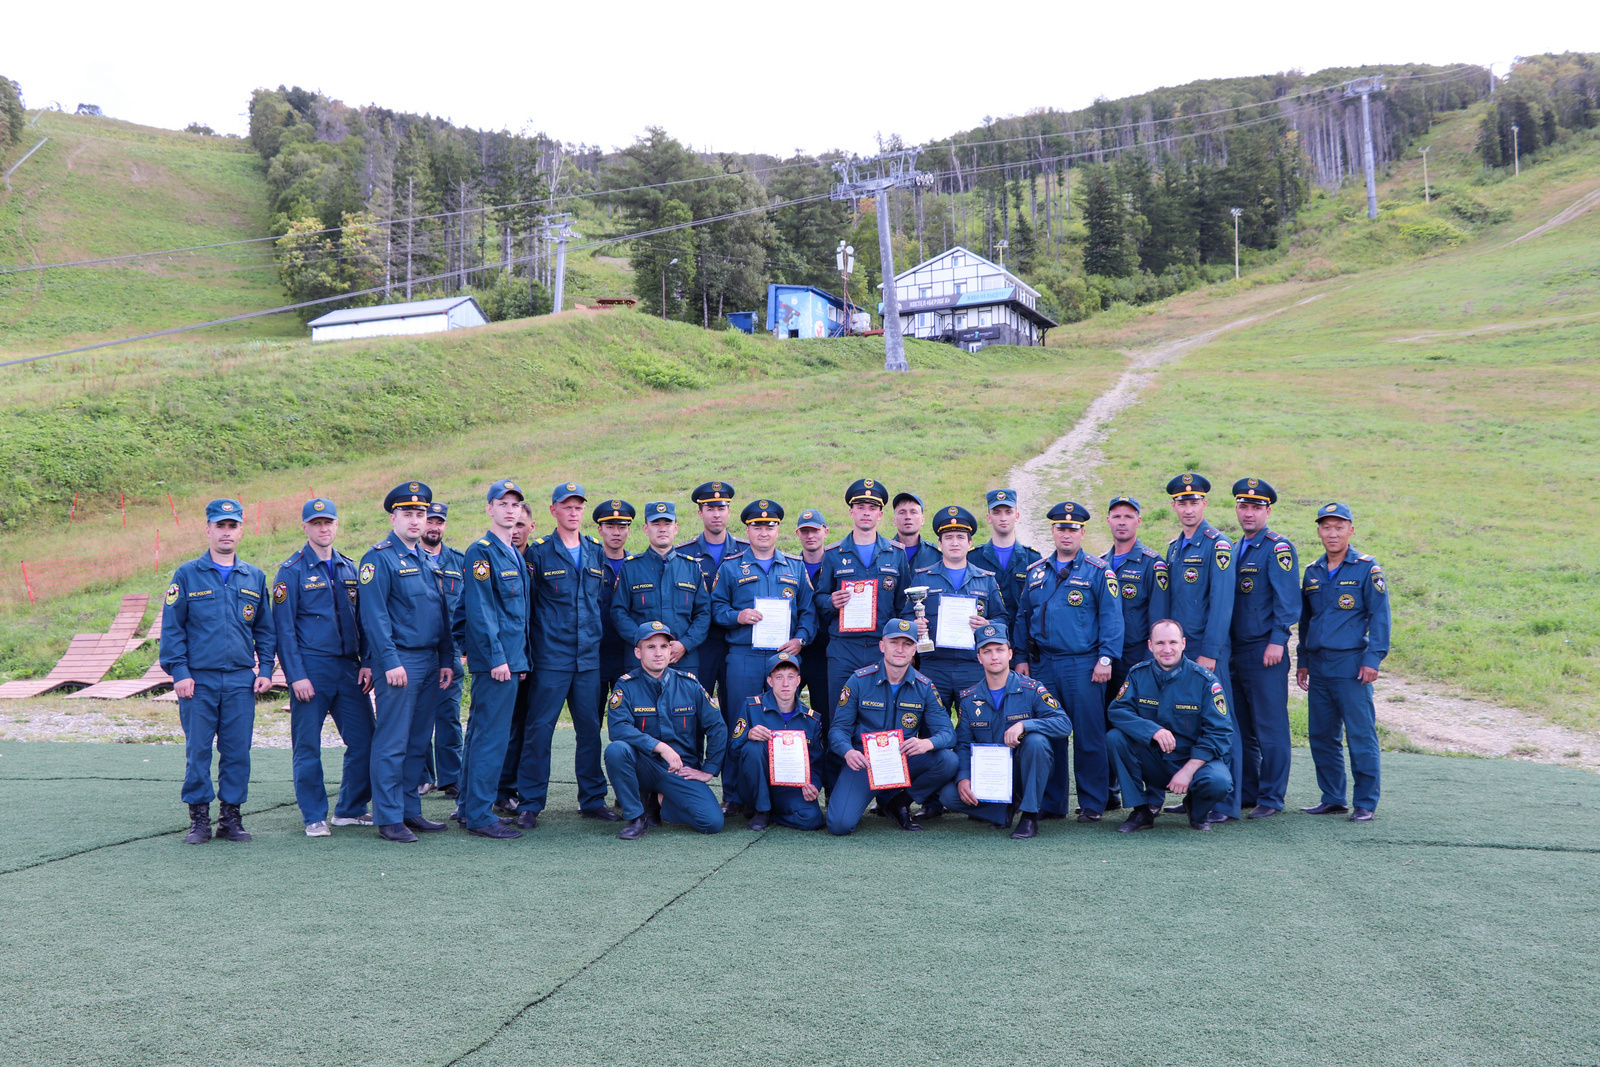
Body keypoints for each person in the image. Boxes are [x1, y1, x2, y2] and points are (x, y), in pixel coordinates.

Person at [161, 498, 277, 844]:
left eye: (233, 526)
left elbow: (265, 630)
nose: (226, 532)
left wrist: (266, 668)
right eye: (220, 525)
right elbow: (172, 628)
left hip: (241, 679)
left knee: (237, 750)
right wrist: (179, 671)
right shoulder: (187, 574)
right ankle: (198, 819)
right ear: (208, 529)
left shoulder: (253, 576)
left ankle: (231, 817)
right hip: (199, 680)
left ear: (241, 530)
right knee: (198, 749)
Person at [358, 481, 457, 843]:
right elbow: (374, 616)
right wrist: (389, 661)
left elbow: (440, 613)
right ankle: (387, 816)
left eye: (421, 514)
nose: (416, 521)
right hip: (400, 662)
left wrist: (446, 656)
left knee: (418, 740)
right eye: (408, 514)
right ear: (393, 516)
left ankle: (410, 809)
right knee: (393, 739)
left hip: (430, 660)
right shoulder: (379, 558)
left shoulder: (425, 559)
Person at [1012, 501, 1123, 822]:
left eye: (1073, 529)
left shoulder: (1098, 570)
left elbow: (1111, 618)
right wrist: (1020, 658)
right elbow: (1022, 618)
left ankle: (1093, 803)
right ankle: (1052, 802)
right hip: (1044, 665)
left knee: (1089, 736)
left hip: (1084, 665)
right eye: (1061, 528)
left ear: (1082, 532)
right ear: (1053, 530)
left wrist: (1106, 658)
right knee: (1050, 735)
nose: (1066, 533)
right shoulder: (1036, 572)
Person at [514, 482, 616, 827]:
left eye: (578, 507)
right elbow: (525, 607)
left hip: (587, 659)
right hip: (550, 658)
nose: (573, 513)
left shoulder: (594, 550)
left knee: (589, 730)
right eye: (566, 506)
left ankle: (591, 800)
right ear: (553, 510)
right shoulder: (539, 552)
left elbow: (597, 603)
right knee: (539, 730)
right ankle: (529, 803)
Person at [271, 498, 375, 838]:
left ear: (336, 524)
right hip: (311, 669)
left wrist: (368, 662)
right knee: (307, 745)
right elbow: (283, 630)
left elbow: (364, 621)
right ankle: (314, 816)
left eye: (328, 521)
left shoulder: (348, 567)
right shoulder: (291, 571)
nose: (324, 528)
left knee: (366, 739)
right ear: (305, 527)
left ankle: (349, 809)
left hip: (348, 668)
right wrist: (295, 676)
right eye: (316, 523)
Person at [710, 499, 817, 814]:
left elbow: (809, 612)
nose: (763, 531)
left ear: (778, 529)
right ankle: (733, 794)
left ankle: (786, 788)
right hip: (745, 656)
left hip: (784, 658)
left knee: (785, 722)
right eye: (757, 526)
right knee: (739, 723)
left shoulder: (795, 567)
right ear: (747, 529)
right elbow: (715, 608)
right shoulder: (731, 567)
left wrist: (801, 639)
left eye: (769, 526)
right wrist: (737, 616)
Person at [1297, 502, 1391, 823]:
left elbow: (1381, 616)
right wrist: (1303, 661)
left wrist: (1373, 658)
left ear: (1351, 529)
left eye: (1339, 527)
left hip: (1352, 666)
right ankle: (1333, 797)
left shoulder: (1367, 568)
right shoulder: (1312, 571)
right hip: (1319, 667)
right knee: (1322, 735)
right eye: (1326, 527)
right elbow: (1306, 621)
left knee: (1360, 735)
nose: (1332, 533)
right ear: (1319, 531)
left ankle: (1365, 802)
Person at [936, 623, 1072, 840]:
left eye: (999, 650)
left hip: (1022, 773)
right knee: (949, 796)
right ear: (979, 657)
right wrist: (963, 778)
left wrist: (1026, 725)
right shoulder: (969, 699)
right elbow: (962, 743)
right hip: (990, 775)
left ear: (1010, 653)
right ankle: (1003, 811)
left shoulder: (1032, 689)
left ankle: (1029, 816)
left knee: (1036, 741)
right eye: (987, 651)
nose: (994, 656)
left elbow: (1064, 724)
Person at [825, 619, 958, 835]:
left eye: (907, 644)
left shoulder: (925, 687)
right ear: (882, 645)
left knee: (948, 760)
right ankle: (877, 796)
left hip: (902, 759)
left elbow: (948, 733)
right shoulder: (858, 681)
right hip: (864, 762)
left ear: (915, 649)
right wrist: (848, 752)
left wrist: (927, 743)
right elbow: (838, 729)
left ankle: (899, 801)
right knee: (839, 825)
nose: (900, 649)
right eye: (894, 642)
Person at [456, 479, 532, 840]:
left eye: (515, 504)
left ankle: (467, 806)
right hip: (497, 663)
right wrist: (498, 658)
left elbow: (517, 614)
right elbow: (481, 610)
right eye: (502, 503)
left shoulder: (512, 551)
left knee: (482, 733)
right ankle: (481, 816)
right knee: (492, 738)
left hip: (511, 660)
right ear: (489, 508)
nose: (510, 509)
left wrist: (520, 659)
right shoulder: (482, 551)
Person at [603, 622, 728, 840]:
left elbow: (717, 726)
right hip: (644, 764)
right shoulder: (626, 686)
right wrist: (660, 748)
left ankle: (660, 801)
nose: (658, 653)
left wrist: (709, 769)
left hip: (679, 768)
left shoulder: (689, 684)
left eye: (664, 646)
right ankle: (637, 817)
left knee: (712, 822)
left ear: (671, 651)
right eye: (651, 647)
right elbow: (618, 728)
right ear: (638, 652)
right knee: (616, 750)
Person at [1107, 619, 1234, 832]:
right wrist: (1152, 730)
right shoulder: (1138, 674)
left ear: (1183, 643)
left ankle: (1197, 809)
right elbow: (1118, 711)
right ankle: (1141, 811)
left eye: (1173, 642)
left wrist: (1189, 769)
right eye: (1160, 643)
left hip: (1194, 760)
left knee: (1219, 780)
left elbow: (1220, 732)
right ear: (1150, 646)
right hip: (1155, 759)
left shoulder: (1205, 681)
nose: (1167, 649)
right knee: (1115, 738)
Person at [1162, 473, 1238, 822]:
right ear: (1174, 506)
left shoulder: (1217, 544)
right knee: (1188, 722)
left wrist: (1210, 652)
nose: (1188, 508)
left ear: (1205, 504)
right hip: (1180, 653)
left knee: (1220, 721)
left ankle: (1224, 802)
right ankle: (1196, 796)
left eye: (1194, 501)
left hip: (1208, 653)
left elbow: (1222, 604)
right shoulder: (1175, 547)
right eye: (1182, 502)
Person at [1229, 478, 1299, 819]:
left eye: (1256, 507)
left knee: (1270, 727)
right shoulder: (1233, 547)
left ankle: (1271, 797)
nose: (1249, 512)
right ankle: (1247, 790)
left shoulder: (1277, 547)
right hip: (1236, 651)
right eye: (1244, 506)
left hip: (1264, 650)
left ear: (1267, 510)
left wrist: (1278, 640)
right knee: (1242, 727)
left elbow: (1288, 601)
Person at [810, 479, 913, 710]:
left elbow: (903, 605)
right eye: (861, 507)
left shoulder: (895, 554)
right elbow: (819, 597)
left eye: (872, 508)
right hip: (843, 649)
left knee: (881, 710)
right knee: (840, 710)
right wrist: (831, 601)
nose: (866, 513)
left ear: (880, 515)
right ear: (851, 512)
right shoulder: (833, 553)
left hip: (882, 646)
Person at [1101, 494, 1168, 809]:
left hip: (1138, 660)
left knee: (1145, 725)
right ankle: (1111, 791)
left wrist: (1150, 664)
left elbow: (1159, 619)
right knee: (1109, 724)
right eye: (1117, 516)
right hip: (1107, 660)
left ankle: (1153, 796)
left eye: (1129, 516)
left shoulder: (1152, 564)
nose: (1122, 522)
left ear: (1139, 521)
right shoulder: (1100, 562)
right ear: (1109, 521)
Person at [906, 505, 1005, 712]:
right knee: (930, 727)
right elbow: (905, 616)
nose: (954, 542)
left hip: (973, 666)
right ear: (940, 544)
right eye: (948, 537)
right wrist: (915, 626)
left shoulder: (985, 580)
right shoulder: (923, 577)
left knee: (976, 725)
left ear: (970, 543)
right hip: (933, 665)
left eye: (960, 537)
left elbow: (1002, 619)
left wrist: (988, 625)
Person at [610, 502, 711, 678]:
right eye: (656, 524)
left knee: (683, 706)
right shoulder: (631, 567)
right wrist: (643, 643)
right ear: (645, 529)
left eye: (667, 524)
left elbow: (703, 613)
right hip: (641, 662)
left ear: (676, 528)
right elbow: (619, 612)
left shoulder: (691, 567)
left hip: (683, 660)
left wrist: (686, 644)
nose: (662, 529)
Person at [728, 652, 824, 831]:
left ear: (798, 680)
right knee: (754, 747)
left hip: (788, 788)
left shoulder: (811, 719)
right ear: (770, 681)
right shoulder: (751, 707)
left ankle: (771, 813)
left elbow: (816, 762)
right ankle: (761, 809)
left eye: (790, 677)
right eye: (779, 677)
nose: (785, 683)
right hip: (754, 784)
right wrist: (747, 735)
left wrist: (814, 784)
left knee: (812, 819)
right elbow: (733, 751)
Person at [675, 481, 746, 710]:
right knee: (693, 709)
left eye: (721, 508)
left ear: (729, 511)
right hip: (700, 645)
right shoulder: (683, 554)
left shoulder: (747, 552)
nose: (716, 515)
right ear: (700, 512)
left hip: (737, 642)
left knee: (736, 710)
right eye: (710, 509)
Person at [418, 501, 466, 798]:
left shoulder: (458, 561)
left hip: (449, 652)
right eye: (430, 521)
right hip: (418, 652)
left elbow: (465, 608)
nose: (434, 527)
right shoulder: (407, 559)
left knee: (448, 715)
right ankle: (422, 776)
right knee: (418, 716)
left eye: (439, 522)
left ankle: (451, 777)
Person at [493, 501, 538, 816]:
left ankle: (515, 785)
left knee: (524, 724)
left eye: (522, 524)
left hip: (537, 659)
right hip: (506, 659)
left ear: (531, 528)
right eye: (513, 523)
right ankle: (498, 789)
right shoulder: (492, 557)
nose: (517, 530)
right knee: (499, 726)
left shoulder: (539, 558)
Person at [968, 488, 1041, 651]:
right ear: (988, 517)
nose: (1003, 518)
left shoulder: (1033, 559)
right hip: (984, 646)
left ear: (1017, 516)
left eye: (1008, 512)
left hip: (1022, 646)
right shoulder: (973, 559)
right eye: (996, 512)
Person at [593, 499, 636, 723]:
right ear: (600, 529)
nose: (616, 532)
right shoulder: (589, 564)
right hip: (595, 656)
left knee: (627, 721)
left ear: (629, 530)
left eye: (622, 526)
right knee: (591, 723)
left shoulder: (636, 566)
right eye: (610, 527)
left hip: (627, 655)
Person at [793, 508, 833, 734]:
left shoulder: (836, 566)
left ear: (825, 532)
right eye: (804, 531)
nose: (810, 536)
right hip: (797, 649)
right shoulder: (789, 566)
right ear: (797, 534)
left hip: (825, 651)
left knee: (825, 713)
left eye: (815, 531)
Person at [891, 491, 941, 570]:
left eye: (913, 512)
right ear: (894, 520)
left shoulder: (936, 555)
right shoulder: (883, 553)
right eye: (902, 512)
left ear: (922, 520)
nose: (908, 517)